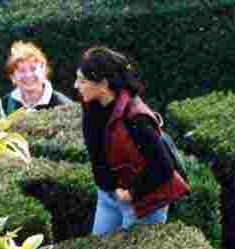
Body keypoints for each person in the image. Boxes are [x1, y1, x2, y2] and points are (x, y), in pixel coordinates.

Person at [75, 45, 178, 236]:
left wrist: (131, 193)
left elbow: (164, 167)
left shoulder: (137, 118)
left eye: (82, 81)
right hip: (108, 198)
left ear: (103, 84)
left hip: (144, 202)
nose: (75, 85)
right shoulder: (92, 107)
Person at [1, 41, 70, 114]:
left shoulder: (64, 106)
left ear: (44, 70)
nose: (28, 75)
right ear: (13, 77)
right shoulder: (4, 106)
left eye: (33, 69)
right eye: (21, 71)